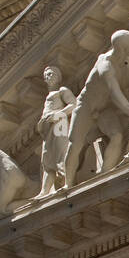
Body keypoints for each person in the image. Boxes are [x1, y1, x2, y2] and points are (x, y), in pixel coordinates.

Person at [61, 30, 129, 188]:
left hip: (105, 109)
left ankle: (105, 175)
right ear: (123, 48)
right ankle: (67, 185)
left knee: (116, 135)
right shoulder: (106, 65)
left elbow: (122, 92)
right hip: (86, 107)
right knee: (75, 144)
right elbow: (114, 92)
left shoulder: (121, 66)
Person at [35, 65, 75, 197]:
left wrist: (57, 115)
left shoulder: (62, 91)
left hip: (60, 123)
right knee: (46, 159)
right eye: (46, 75)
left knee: (61, 154)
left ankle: (67, 182)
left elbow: (74, 104)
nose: (48, 77)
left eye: (51, 74)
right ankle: (44, 190)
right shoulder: (49, 96)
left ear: (58, 77)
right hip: (48, 130)